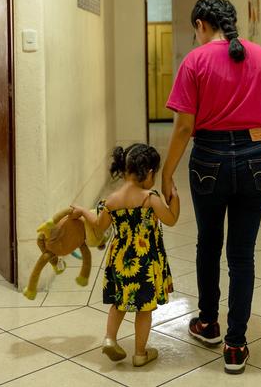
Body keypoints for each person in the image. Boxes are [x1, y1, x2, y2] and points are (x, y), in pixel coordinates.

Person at [161, 0, 261, 374]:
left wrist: (166, 174)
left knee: (209, 243)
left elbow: (184, 127)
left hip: (209, 161)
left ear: (201, 24)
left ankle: (208, 323)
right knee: (242, 255)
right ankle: (235, 345)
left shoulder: (195, 62)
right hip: (255, 157)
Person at [73, 143, 180, 367]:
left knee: (119, 303)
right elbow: (171, 219)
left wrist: (83, 211)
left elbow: (99, 226)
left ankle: (110, 339)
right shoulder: (149, 198)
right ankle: (140, 353)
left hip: (120, 260)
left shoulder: (111, 201)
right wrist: (175, 198)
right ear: (149, 173)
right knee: (144, 309)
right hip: (146, 262)